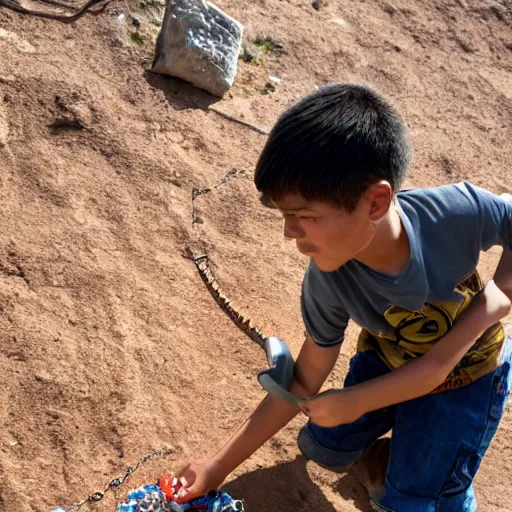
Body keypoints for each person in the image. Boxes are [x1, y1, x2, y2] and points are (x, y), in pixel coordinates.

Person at [175, 84, 512, 511]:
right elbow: (302, 380)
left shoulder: (454, 215)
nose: (289, 233)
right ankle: (399, 448)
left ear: (375, 201)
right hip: (393, 358)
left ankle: (436, 480)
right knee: (322, 445)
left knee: (413, 502)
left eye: (306, 217)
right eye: (285, 216)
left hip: (467, 375)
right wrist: (216, 467)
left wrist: (496, 296)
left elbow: (436, 369)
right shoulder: (326, 281)